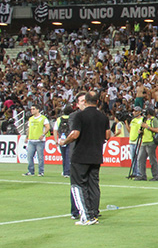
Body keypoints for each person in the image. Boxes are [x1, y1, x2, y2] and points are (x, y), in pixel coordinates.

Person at [59, 91, 110, 226]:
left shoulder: (79, 116)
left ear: (86, 102)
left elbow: (75, 134)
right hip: (96, 155)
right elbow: (108, 135)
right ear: (97, 102)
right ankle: (93, 214)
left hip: (80, 155)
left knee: (77, 185)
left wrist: (64, 142)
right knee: (93, 185)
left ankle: (85, 216)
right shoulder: (103, 117)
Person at [134, 106, 158, 181]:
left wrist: (147, 127)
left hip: (151, 142)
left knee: (152, 160)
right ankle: (142, 175)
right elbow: (143, 129)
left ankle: (156, 176)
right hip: (144, 141)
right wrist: (141, 131)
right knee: (140, 159)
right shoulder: (144, 120)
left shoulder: (154, 120)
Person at [23, 104, 50, 176]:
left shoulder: (43, 118)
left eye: (33, 109)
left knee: (40, 157)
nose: (32, 110)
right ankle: (31, 171)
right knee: (29, 156)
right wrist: (27, 137)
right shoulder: (31, 119)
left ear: (38, 110)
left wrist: (43, 134)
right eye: (31, 109)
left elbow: (48, 127)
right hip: (31, 140)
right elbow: (29, 129)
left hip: (39, 141)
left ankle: (41, 171)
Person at [53, 106, 73, 178]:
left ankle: (65, 171)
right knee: (68, 156)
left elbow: (55, 130)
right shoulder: (72, 119)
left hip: (61, 139)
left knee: (64, 156)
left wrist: (56, 140)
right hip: (70, 139)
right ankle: (67, 172)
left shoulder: (59, 119)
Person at [128, 106, 144, 179]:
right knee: (133, 157)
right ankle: (134, 172)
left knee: (138, 158)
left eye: (136, 111)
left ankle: (138, 173)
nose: (134, 112)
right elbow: (129, 130)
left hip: (138, 140)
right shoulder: (133, 120)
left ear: (140, 112)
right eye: (134, 111)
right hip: (132, 139)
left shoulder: (142, 119)